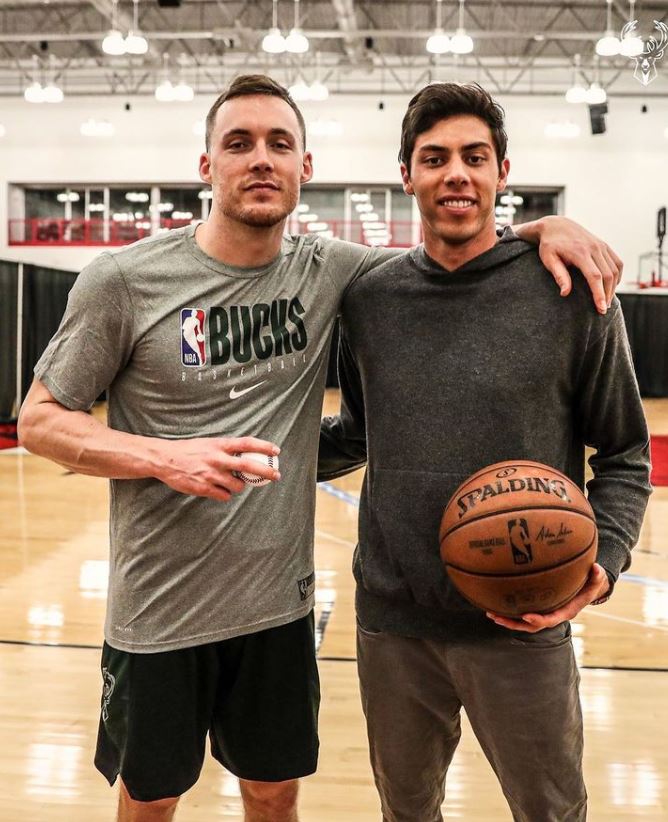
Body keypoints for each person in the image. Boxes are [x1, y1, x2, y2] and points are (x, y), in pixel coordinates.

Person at [17, 73, 625, 822]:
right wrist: (165, 456)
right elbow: (40, 420)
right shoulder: (130, 279)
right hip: (169, 613)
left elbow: (459, 254)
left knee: (277, 795)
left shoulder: (336, 272)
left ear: (307, 168)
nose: (260, 159)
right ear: (205, 166)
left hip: (287, 613)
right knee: (151, 798)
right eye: (238, 144)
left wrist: (541, 229)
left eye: (280, 144)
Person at [318, 81, 652, 822]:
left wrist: (602, 567)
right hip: (393, 622)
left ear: (504, 170)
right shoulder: (371, 299)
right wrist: (247, 453)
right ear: (406, 174)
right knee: (407, 813)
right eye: (434, 158)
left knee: (553, 813)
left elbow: (626, 452)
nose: (456, 174)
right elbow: (359, 436)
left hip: (523, 619)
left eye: (475, 156)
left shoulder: (571, 292)